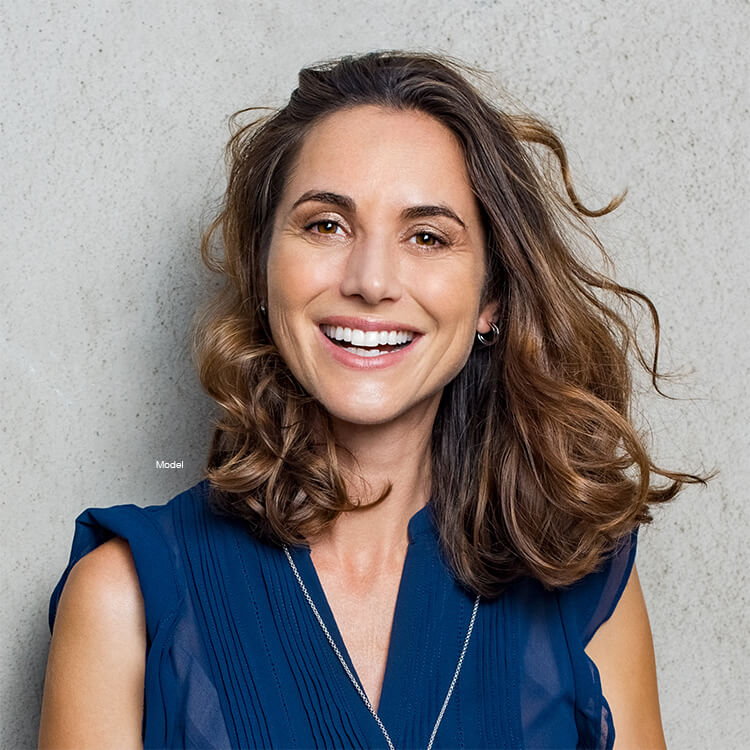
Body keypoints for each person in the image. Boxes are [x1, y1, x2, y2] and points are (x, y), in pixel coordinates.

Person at [38, 50, 712, 750]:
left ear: (491, 299)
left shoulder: (583, 590)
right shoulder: (125, 599)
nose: (371, 280)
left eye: (427, 236)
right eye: (326, 224)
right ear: (264, 268)